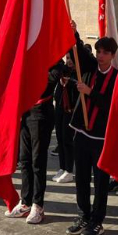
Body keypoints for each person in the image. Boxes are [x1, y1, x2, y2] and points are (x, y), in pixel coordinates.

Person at [66, 29, 117, 235]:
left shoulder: (117, 78)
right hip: (82, 133)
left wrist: (91, 93)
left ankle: (97, 220)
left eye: (105, 52)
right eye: (99, 51)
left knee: (101, 182)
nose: (101, 55)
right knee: (82, 178)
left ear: (113, 55)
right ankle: (83, 216)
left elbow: (112, 106)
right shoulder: (89, 69)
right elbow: (79, 52)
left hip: (101, 137)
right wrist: (73, 33)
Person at [5, 60, 67, 224]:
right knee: (24, 159)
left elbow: (49, 81)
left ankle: (38, 205)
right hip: (25, 111)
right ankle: (25, 201)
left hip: (41, 113)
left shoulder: (55, 61)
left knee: (37, 161)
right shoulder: (29, 56)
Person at [52, 54, 78, 184]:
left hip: (71, 110)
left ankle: (69, 169)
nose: (69, 61)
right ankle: (62, 167)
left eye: (71, 59)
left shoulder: (78, 72)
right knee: (60, 138)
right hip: (60, 108)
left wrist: (70, 83)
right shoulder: (63, 70)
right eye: (67, 58)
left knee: (67, 139)